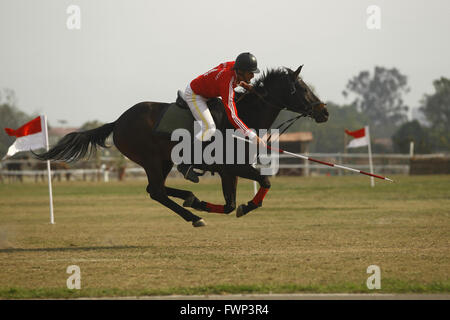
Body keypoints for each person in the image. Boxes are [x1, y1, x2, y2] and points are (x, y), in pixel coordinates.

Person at [177, 52, 266, 183]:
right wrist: (252, 135)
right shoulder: (227, 83)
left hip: (208, 94)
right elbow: (232, 115)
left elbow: (220, 66)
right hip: (195, 95)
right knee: (209, 129)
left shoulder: (233, 66)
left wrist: (242, 84)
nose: (253, 75)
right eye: (250, 72)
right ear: (240, 71)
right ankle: (184, 163)